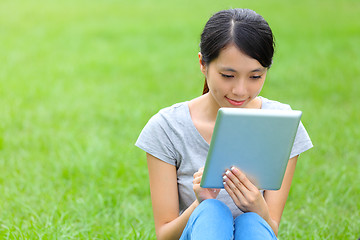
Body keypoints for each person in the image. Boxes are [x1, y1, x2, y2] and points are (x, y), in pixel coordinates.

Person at [135, 8, 313, 240]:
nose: (240, 90)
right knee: (212, 212)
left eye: (255, 76)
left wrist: (258, 207)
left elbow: (271, 229)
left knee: (252, 222)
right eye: (228, 76)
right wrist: (201, 203)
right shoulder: (168, 127)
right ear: (203, 64)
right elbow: (164, 235)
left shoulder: (281, 124)